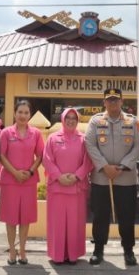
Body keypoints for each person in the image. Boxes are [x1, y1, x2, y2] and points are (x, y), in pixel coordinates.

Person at [84, 88, 139, 266]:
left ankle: (128, 250)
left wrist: (122, 166)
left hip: (125, 178)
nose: (112, 103)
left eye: (115, 100)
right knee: (100, 216)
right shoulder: (95, 121)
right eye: (109, 100)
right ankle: (98, 249)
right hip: (101, 178)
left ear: (122, 101)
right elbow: (89, 144)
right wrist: (104, 166)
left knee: (127, 216)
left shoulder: (133, 122)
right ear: (104, 102)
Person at [43, 108, 93, 265]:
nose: (71, 120)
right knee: (57, 223)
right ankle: (57, 255)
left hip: (76, 188)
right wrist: (59, 176)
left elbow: (88, 161)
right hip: (57, 188)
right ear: (63, 119)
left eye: (74, 118)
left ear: (77, 121)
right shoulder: (52, 138)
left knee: (74, 223)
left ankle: (73, 255)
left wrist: (76, 176)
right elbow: (47, 159)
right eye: (68, 117)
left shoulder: (84, 140)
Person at [0, 100, 44, 265]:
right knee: (11, 218)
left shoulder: (36, 133)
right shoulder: (6, 133)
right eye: (20, 112)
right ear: (15, 113)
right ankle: (12, 250)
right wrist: (15, 172)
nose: (23, 115)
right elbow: (1, 156)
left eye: (26, 112)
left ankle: (22, 250)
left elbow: (40, 155)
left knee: (25, 218)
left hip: (28, 181)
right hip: (10, 180)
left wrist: (30, 171)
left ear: (29, 115)